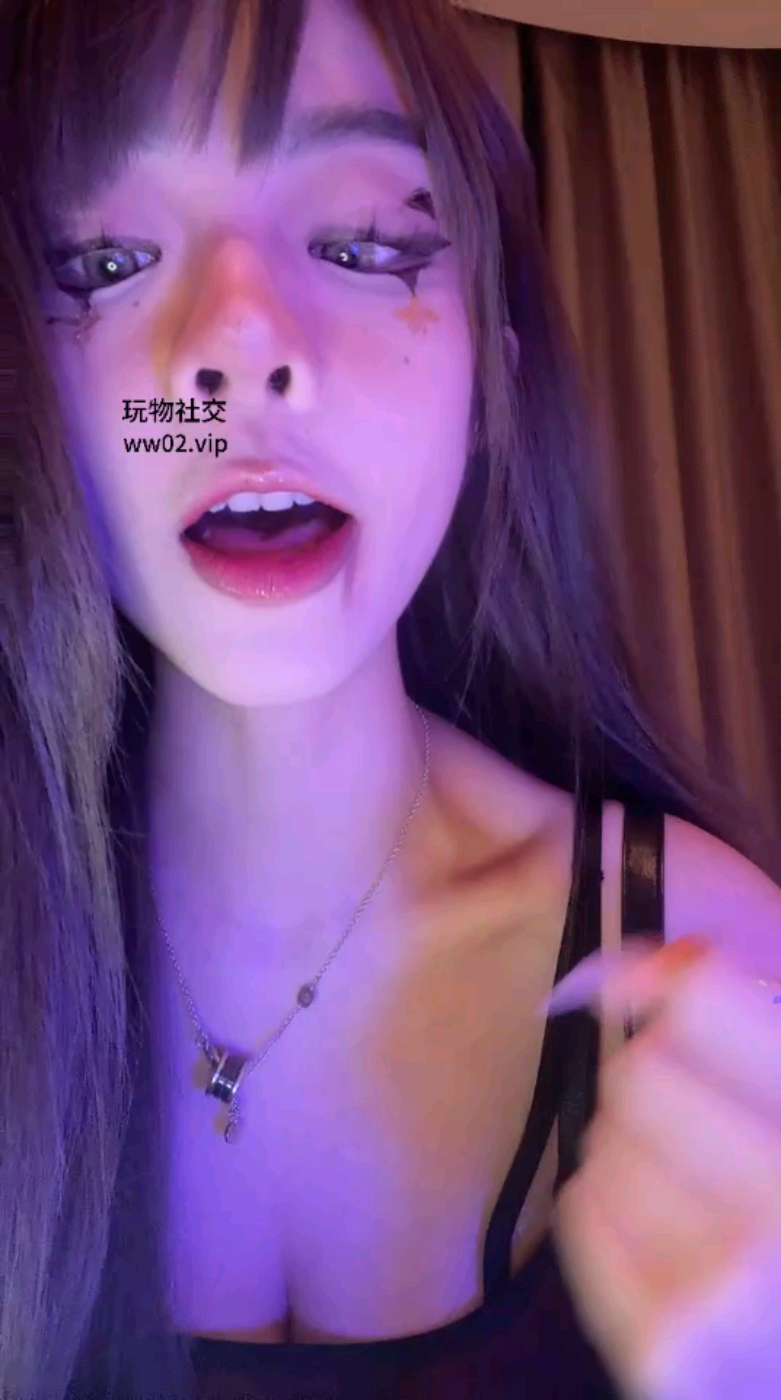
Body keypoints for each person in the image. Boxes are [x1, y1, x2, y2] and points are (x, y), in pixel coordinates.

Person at [0, 0, 778, 1397]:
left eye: (364, 244)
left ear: (495, 364)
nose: (241, 352)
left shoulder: (725, 973)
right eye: (106, 262)